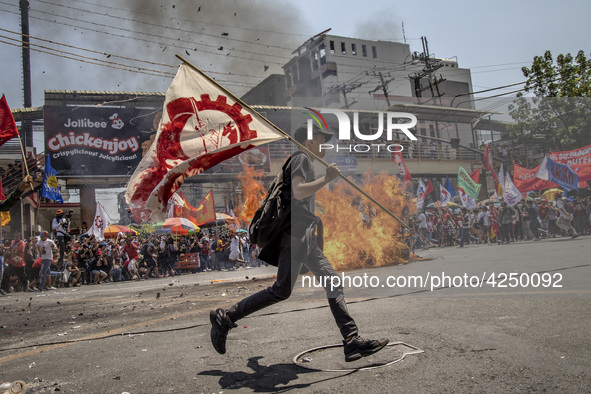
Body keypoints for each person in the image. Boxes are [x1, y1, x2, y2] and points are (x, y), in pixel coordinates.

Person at [209, 124, 388, 362]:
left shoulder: (302, 160)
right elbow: (299, 192)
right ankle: (227, 317)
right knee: (282, 290)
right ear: (311, 140)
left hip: (304, 235)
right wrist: (327, 178)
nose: (326, 144)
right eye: (323, 139)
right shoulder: (303, 157)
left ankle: (351, 341)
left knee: (330, 281)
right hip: (296, 234)